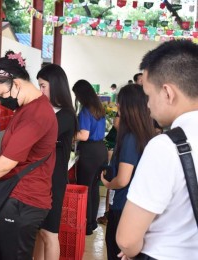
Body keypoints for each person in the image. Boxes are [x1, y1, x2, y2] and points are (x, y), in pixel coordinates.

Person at [0, 51, 58, 260]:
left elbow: (8, 162)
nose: (2, 100)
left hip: (24, 201)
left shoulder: (36, 114)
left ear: (16, 83)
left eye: (3, 94)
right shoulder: (26, 108)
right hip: (13, 196)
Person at [117, 40, 198, 259]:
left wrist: (131, 250)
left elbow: (127, 239)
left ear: (168, 93)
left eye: (148, 95)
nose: (148, 105)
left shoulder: (166, 146)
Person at [100, 84, 155, 260]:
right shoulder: (145, 134)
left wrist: (109, 184)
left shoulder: (130, 137)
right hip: (136, 207)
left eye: (120, 103)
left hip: (124, 207)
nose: (117, 107)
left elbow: (123, 179)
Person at [33, 64, 78, 260]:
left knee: (49, 233)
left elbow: (40, 135)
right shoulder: (48, 109)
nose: (40, 90)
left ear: (56, 85)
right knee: (38, 232)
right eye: (39, 86)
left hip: (54, 180)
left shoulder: (66, 114)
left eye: (43, 86)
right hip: (40, 179)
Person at [72, 79, 108, 236]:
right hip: (101, 150)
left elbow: (84, 135)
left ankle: (84, 225)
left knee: (84, 189)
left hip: (90, 152)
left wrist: (70, 135)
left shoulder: (86, 110)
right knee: (94, 188)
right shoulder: (99, 109)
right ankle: (91, 223)